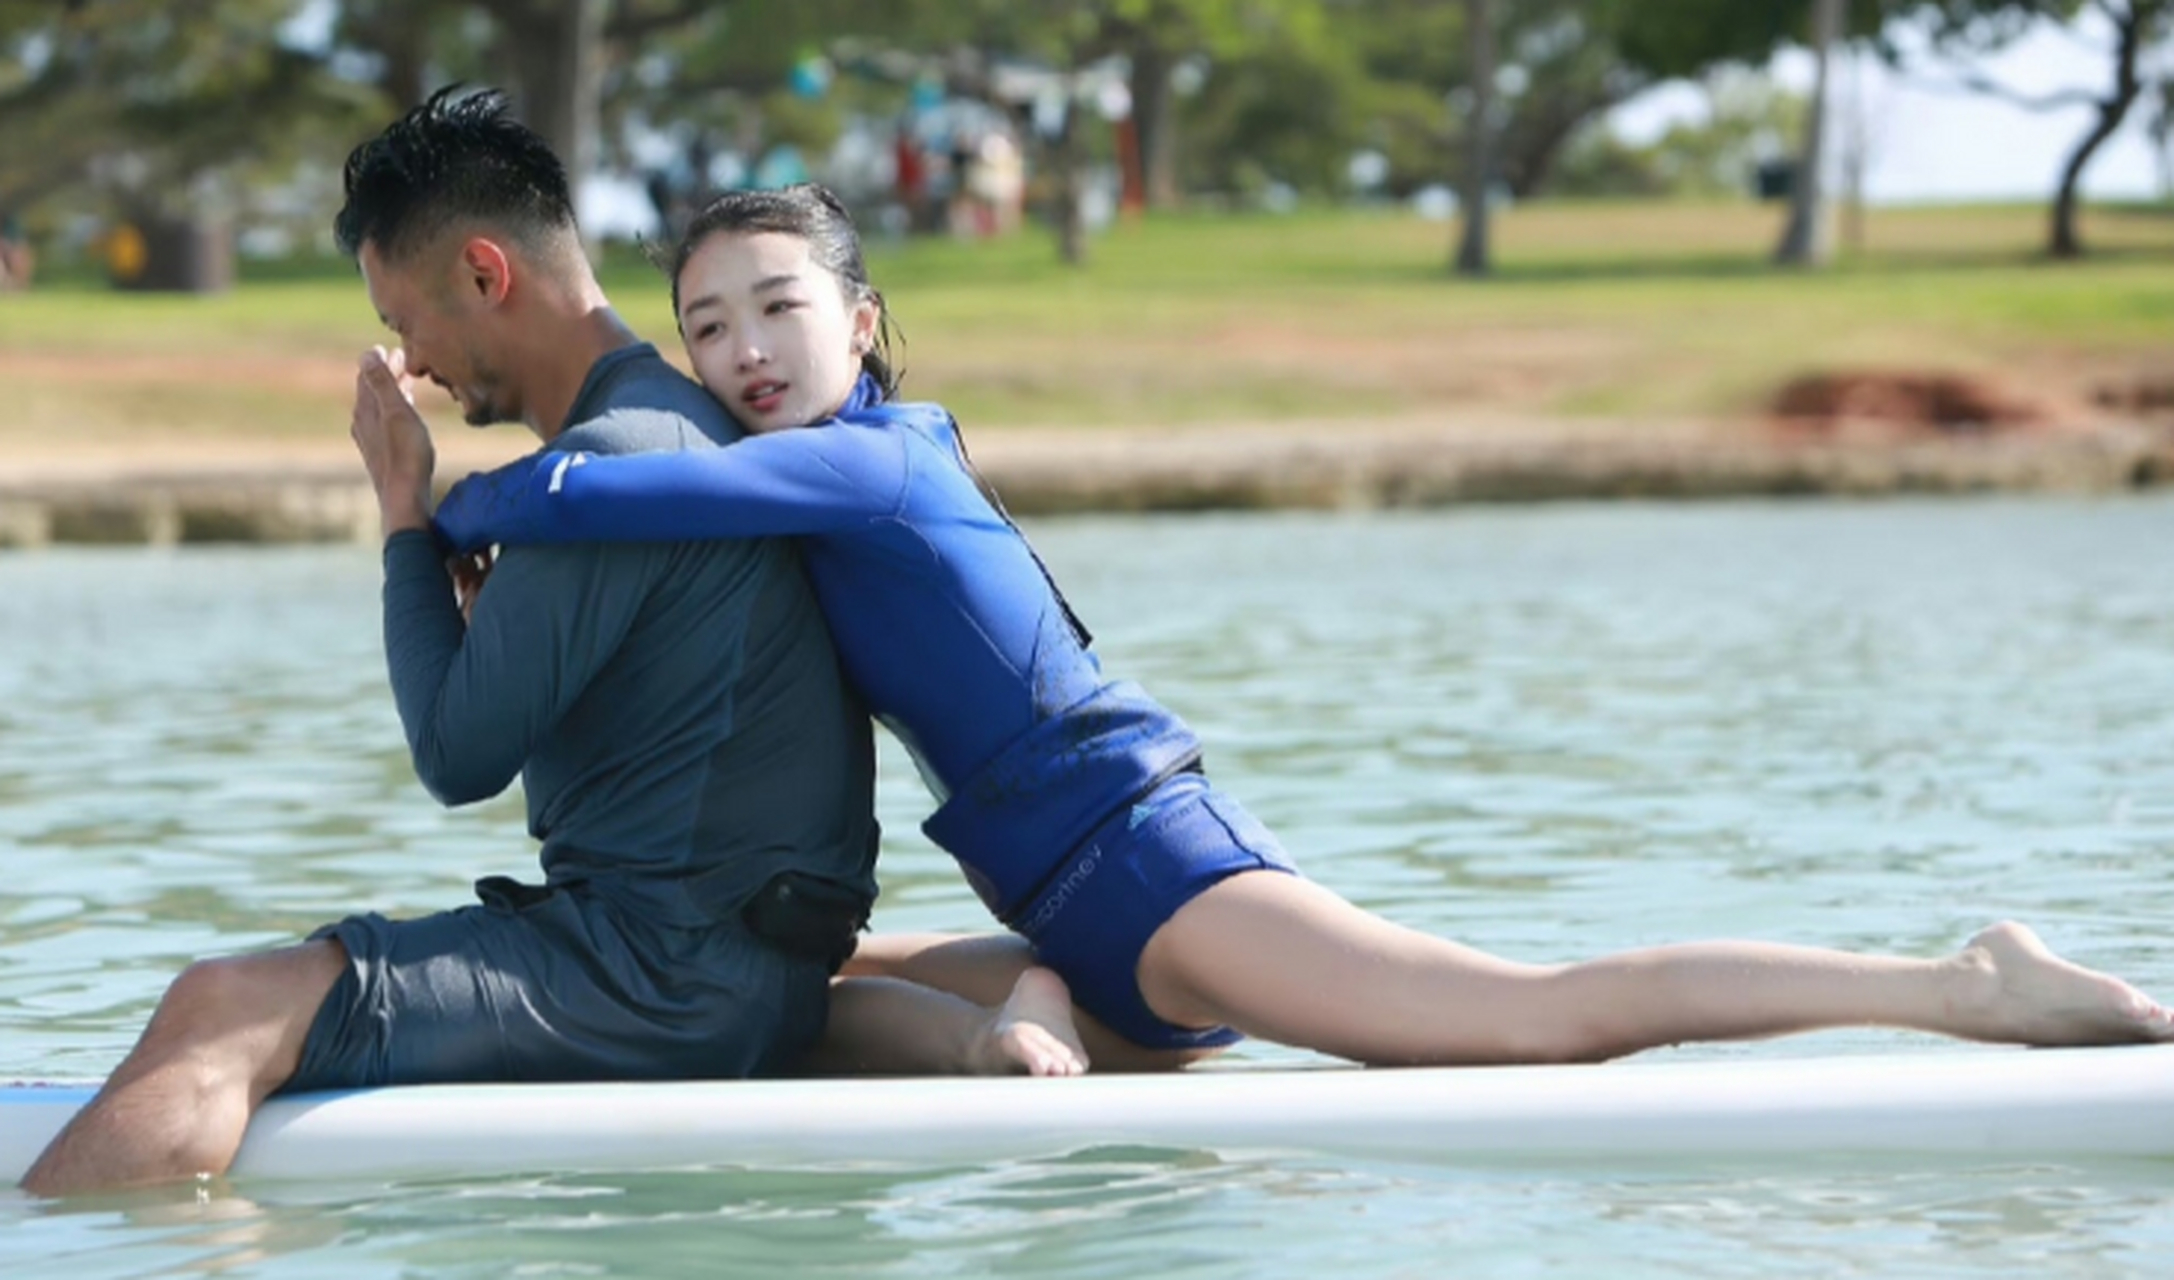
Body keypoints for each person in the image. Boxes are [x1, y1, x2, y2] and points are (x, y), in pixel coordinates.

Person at [435, 182, 2174, 1073]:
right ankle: (1019, 1017)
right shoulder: (831, 486)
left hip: (1143, 867)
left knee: (1533, 1019)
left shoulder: (863, 470)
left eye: (777, 310)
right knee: (781, 995)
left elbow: (620, 498)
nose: (741, 352)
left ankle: (1955, 984)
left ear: (862, 320)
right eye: (706, 324)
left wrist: (456, 501)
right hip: (1060, 903)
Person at [19, 93, 1075, 1200]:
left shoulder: (616, 468)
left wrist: (401, 510)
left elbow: (454, 752)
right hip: (729, 969)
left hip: (664, 978)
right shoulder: (659, 435)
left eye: (404, 317)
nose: (409, 361)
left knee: (223, 1006)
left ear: (485, 275)